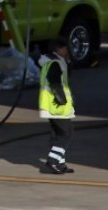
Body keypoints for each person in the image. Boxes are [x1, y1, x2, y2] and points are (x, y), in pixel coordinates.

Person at [39, 37, 76, 174]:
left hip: (52, 105)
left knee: (58, 134)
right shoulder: (55, 63)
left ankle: (60, 163)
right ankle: (53, 161)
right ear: (60, 49)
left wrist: (69, 60)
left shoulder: (55, 61)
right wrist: (61, 98)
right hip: (57, 105)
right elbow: (54, 83)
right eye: (65, 48)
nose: (67, 50)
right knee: (67, 133)